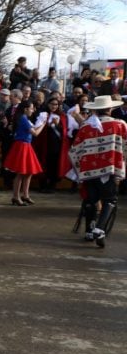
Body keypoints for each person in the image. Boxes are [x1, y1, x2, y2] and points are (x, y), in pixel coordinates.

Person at [68, 95, 127, 247]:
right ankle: (99, 229)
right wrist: (121, 168)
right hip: (109, 170)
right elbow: (125, 148)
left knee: (91, 200)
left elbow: (73, 151)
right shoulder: (120, 125)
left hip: (89, 171)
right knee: (110, 200)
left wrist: (80, 170)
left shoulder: (86, 127)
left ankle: (89, 230)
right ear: (110, 108)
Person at [3, 100, 45, 206]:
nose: (33, 110)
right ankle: (16, 196)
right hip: (22, 145)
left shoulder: (23, 118)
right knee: (21, 172)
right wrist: (43, 124)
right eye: (31, 108)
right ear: (26, 109)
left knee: (27, 172)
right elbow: (35, 133)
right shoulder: (23, 118)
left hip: (25, 145)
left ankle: (24, 195)